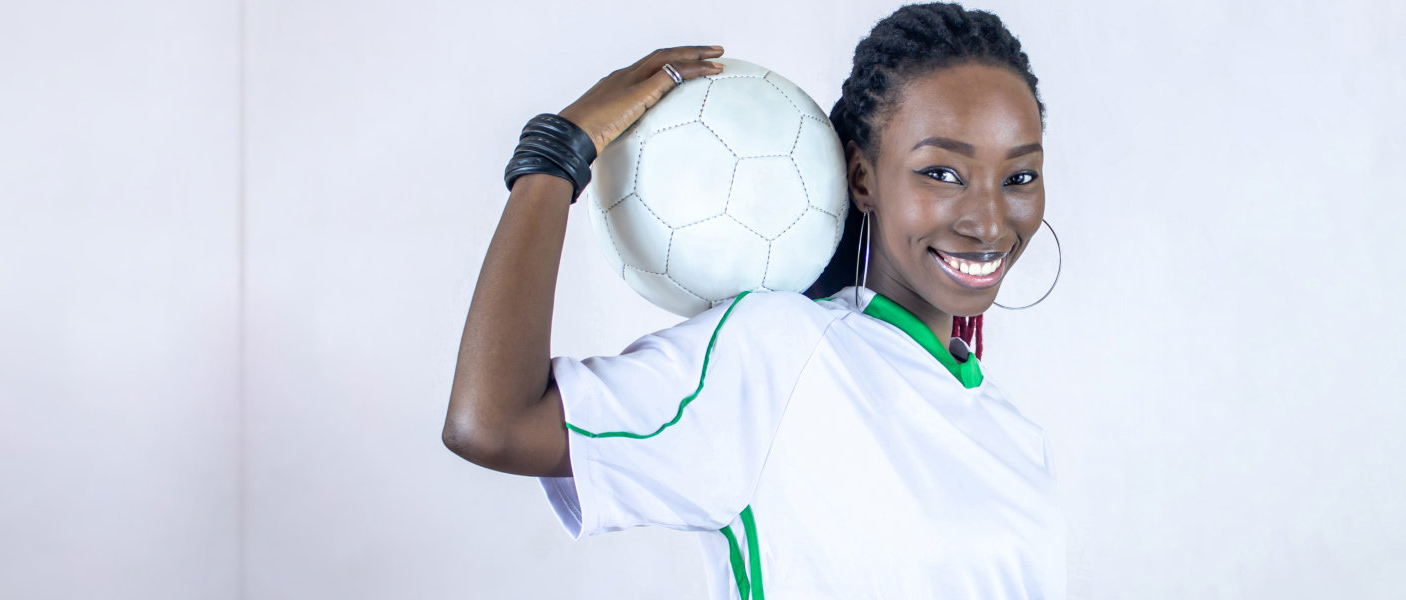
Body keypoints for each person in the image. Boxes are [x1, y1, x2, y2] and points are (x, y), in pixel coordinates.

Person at [443, 3, 1062, 597]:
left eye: (1019, 177)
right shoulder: (779, 353)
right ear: (863, 178)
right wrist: (557, 153)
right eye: (943, 173)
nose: (988, 222)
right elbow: (494, 424)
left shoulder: (1013, 432)